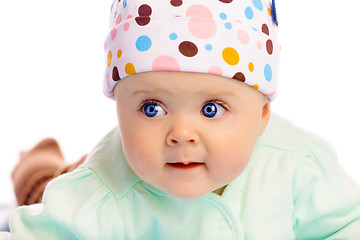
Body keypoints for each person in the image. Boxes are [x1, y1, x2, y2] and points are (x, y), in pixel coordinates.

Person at [2, 0, 360, 239]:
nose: (182, 134)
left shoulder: (296, 165)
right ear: (118, 105)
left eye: (211, 109)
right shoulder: (99, 194)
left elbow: (346, 224)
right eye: (152, 108)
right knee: (42, 183)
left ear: (262, 114)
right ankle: (38, 158)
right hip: (86, 173)